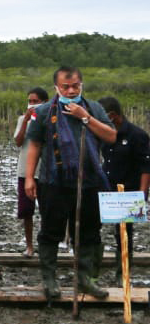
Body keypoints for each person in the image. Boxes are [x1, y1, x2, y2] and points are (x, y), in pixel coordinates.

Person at [24, 66, 118, 301]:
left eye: (75, 86)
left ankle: (85, 279)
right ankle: (49, 278)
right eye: (65, 87)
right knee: (50, 231)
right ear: (56, 87)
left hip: (89, 182)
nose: (71, 91)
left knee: (88, 231)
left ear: (81, 84)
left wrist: (85, 117)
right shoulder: (44, 111)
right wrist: (29, 177)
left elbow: (111, 136)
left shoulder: (94, 108)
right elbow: (34, 144)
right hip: (53, 181)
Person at [96, 96, 150, 284]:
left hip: (128, 191)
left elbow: (146, 167)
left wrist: (142, 194)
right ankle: (93, 270)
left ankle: (123, 272)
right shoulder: (104, 133)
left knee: (123, 233)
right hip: (106, 187)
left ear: (112, 115)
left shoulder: (137, 135)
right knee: (93, 227)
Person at [13, 88, 48, 256]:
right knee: (27, 211)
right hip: (25, 171)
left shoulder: (50, 119)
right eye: (30, 101)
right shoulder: (22, 119)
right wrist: (26, 121)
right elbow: (18, 142)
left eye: (36, 101)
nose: (32, 104)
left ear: (44, 103)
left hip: (45, 171)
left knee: (47, 210)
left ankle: (45, 245)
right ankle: (29, 246)